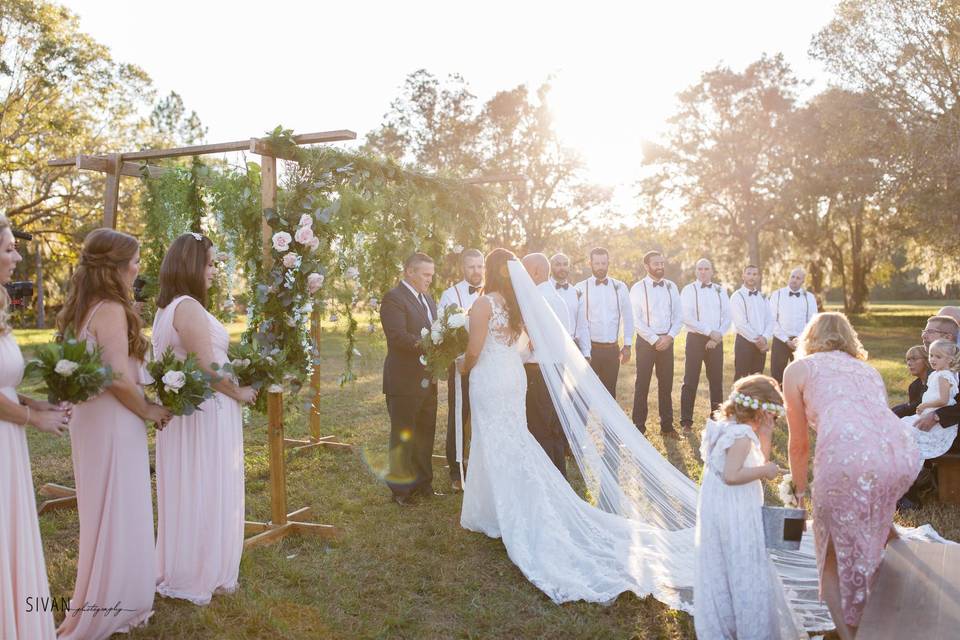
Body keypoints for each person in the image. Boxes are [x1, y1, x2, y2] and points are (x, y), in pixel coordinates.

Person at [57, 228, 172, 640]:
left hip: (95, 420)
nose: (139, 267)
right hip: (112, 418)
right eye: (136, 260)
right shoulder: (109, 309)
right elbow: (118, 379)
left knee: (104, 506)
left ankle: (113, 591)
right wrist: (150, 410)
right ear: (117, 267)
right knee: (118, 502)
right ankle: (115, 599)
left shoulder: (85, 308)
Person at [782, 312, 921, 639]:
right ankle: (918, 589)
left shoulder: (798, 369)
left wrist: (797, 493)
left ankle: (851, 633)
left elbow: (799, 444)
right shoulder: (868, 370)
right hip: (899, 453)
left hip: (847, 459)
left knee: (830, 552)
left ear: (809, 338)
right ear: (849, 337)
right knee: (876, 521)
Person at [152, 233, 257, 605]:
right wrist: (239, 392)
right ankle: (200, 570)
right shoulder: (188, 307)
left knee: (192, 484)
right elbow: (206, 365)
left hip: (192, 413)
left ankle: (191, 562)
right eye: (210, 263)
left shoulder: (169, 307)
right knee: (205, 483)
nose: (214, 271)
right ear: (192, 265)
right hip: (205, 414)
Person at [0, 215, 71, 640]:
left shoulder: (1, 300)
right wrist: (32, 418)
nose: (17, 254)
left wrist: (33, 402)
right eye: (8, 248)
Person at [694, 375, 804, 640]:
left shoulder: (727, 427)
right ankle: (749, 626)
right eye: (771, 415)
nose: (771, 420)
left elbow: (752, 460)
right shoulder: (741, 435)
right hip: (734, 511)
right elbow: (732, 475)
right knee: (744, 563)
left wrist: (764, 436)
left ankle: (728, 618)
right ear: (760, 410)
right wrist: (765, 471)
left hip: (720, 506)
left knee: (724, 563)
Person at [380, 252, 439, 506]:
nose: (429, 279)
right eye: (425, 274)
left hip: (428, 378)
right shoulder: (394, 299)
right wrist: (431, 344)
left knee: (426, 432)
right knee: (404, 436)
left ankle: (424, 484)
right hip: (403, 380)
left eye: (431, 275)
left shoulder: (427, 298)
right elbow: (397, 336)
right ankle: (401, 491)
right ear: (409, 272)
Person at [438, 248, 484, 492]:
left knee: (483, 417)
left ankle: (480, 467)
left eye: (479, 266)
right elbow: (443, 332)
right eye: (471, 267)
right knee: (459, 415)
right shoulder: (450, 294)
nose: (476, 271)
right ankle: (456, 470)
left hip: (488, 366)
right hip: (460, 367)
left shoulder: (493, 293)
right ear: (463, 268)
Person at [521, 252, 570, 476]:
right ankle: (560, 475)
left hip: (538, 371)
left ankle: (548, 479)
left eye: (525, 270)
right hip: (557, 367)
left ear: (537, 272)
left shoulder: (536, 300)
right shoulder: (556, 298)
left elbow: (531, 342)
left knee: (539, 427)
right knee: (553, 427)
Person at [629, 251, 682, 436]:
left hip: (667, 341)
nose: (660, 266)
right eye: (656, 263)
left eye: (662, 262)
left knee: (666, 385)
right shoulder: (637, 288)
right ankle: (638, 427)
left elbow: (678, 315)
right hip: (646, 342)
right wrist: (654, 339)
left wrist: (669, 337)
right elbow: (635, 319)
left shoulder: (671, 287)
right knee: (642, 384)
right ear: (646, 266)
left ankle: (667, 427)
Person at [679, 258, 731, 433]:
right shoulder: (688, 290)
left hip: (716, 340)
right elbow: (687, 317)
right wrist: (710, 332)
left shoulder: (720, 291)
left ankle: (717, 418)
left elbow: (727, 317)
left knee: (716, 380)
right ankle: (686, 422)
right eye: (699, 268)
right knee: (690, 380)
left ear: (712, 271)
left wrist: (716, 337)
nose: (702, 271)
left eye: (706, 268)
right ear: (695, 271)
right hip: (695, 339)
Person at [575, 247, 633, 398]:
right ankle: (581, 422)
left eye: (603, 263)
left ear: (608, 263)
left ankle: (607, 423)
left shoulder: (620, 287)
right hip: (589, 350)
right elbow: (574, 319)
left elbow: (628, 317)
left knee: (609, 395)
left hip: (612, 350)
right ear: (590, 263)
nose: (600, 267)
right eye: (597, 263)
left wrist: (627, 345)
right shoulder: (580, 288)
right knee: (584, 395)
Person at [899, 339, 959, 460]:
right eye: (931, 355)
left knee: (907, 431)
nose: (933, 359)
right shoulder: (935, 375)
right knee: (902, 426)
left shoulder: (944, 376)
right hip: (929, 411)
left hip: (939, 418)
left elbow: (943, 400)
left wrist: (924, 405)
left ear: (949, 360)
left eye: (938, 357)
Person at [912, 315, 960, 444]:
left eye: (930, 332)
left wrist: (937, 415)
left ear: (948, 337)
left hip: (950, 430)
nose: (924, 336)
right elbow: (916, 403)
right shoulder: (936, 369)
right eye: (924, 331)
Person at [768, 268, 817, 385]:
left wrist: (800, 339)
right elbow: (772, 320)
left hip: (801, 342)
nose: (794, 280)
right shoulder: (777, 295)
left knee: (802, 376)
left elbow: (812, 320)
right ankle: (777, 402)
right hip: (780, 341)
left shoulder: (809, 297)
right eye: (793, 276)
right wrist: (786, 340)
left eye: (798, 278)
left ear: (803, 282)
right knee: (777, 376)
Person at [731, 265, 773, 380]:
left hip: (761, 344)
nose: (751, 277)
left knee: (757, 379)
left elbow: (770, 319)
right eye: (749, 273)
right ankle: (738, 399)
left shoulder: (763, 297)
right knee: (741, 378)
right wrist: (758, 340)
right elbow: (740, 323)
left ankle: (755, 398)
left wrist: (764, 338)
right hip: (744, 342)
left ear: (758, 277)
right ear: (743, 276)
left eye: (755, 274)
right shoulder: (737, 296)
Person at [549, 252, 589, 358]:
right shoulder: (542, 290)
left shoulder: (577, 293)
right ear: (550, 267)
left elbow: (582, 326)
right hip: (548, 347)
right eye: (558, 264)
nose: (562, 268)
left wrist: (586, 352)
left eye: (565, 264)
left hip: (571, 348)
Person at [891, 345, 930, 418]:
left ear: (927, 360)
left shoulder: (935, 380)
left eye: (914, 359)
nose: (909, 363)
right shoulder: (914, 386)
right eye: (908, 360)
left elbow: (917, 406)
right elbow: (912, 410)